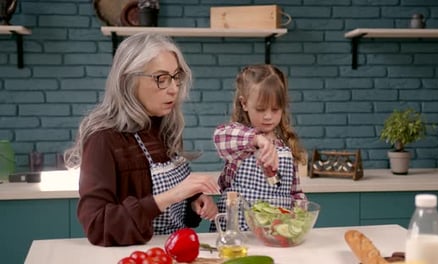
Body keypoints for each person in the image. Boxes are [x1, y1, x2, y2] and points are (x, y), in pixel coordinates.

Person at [64, 32, 219, 246]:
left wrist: (192, 200)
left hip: (173, 249)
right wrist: (171, 195)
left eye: (175, 77)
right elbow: (98, 225)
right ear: (128, 80)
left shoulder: (163, 127)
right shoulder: (103, 139)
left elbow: (168, 200)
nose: (174, 88)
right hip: (135, 255)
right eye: (161, 79)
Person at [211, 64, 307, 232]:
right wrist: (258, 140)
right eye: (261, 109)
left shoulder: (285, 147)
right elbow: (220, 136)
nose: (268, 116)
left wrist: (301, 209)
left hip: (274, 231)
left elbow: (295, 192)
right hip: (237, 230)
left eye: (275, 109)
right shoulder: (240, 139)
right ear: (245, 104)